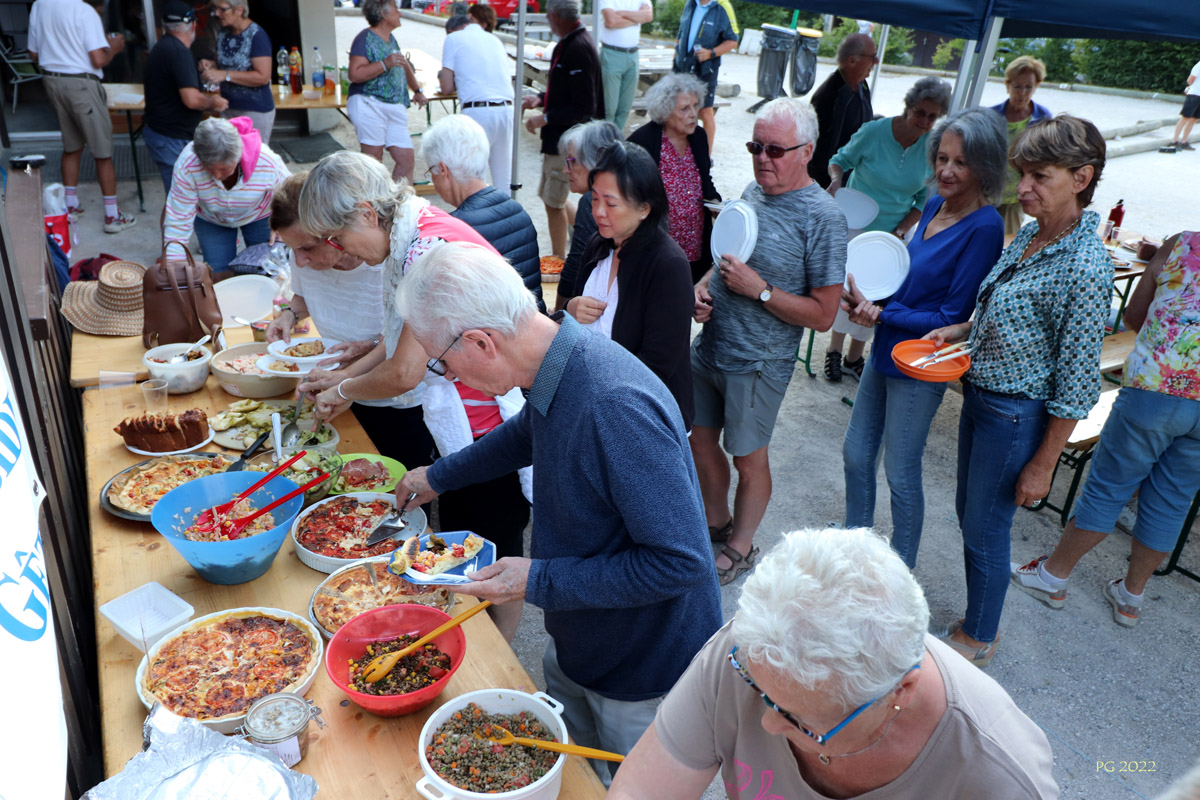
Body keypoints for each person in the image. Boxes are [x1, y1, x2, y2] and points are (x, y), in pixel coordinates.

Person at [392, 241, 722, 786]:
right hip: (583, 640)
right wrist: (437, 477)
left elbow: (680, 563)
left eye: (442, 362)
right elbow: (527, 433)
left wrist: (537, 578)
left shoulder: (612, 403)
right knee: (570, 775)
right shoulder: (554, 364)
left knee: (624, 787)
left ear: (481, 341)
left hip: (642, 668)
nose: (447, 375)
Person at [606, 528, 1059, 800]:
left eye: (798, 719)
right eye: (753, 684)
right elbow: (640, 791)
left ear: (900, 692)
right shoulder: (758, 649)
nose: (766, 724)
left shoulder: (1001, 776)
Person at [924, 115, 1112, 667]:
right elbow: (1003, 306)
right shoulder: (1033, 233)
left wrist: (1044, 463)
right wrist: (962, 329)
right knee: (971, 515)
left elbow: (1077, 382)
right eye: (1022, 173)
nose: (1023, 188)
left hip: (1014, 417)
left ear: (1081, 178)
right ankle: (979, 621)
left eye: (1039, 176)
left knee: (985, 528)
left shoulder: (1086, 266)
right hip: (982, 399)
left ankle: (980, 634)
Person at [840, 109, 1007, 569]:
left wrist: (884, 311)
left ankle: (899, 571)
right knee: (856, 454)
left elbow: (952, 313)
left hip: (922, 362)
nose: (946, 171)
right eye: (942, 157)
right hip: (887, 346)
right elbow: (906, 281)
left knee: (900, 472)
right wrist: (867, 296)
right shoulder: (933, 205)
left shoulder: (986, 227)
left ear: (985, 167)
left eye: (961, 162)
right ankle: (855, 551)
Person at [690, 98, 846, 584]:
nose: (763, 158)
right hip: (712, 345)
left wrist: (758, 289)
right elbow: (727, 259)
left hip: (758, 363)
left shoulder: (824, 218)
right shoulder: (753, 191)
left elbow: (824, 316)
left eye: (775, 150)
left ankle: (741, 545)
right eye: (756, 146)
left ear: (808, 152)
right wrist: (704, 285)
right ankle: (716, 523)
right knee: (697, 439)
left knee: (748, 458)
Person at [1011, 231, 1200, 628]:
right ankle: (1131, 598)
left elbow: (1133, 317)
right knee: (1172, 501)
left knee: (1109, 486)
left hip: (1157, 388)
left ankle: (1053, 576)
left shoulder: (1183, 244)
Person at [294, 151, 496, 426]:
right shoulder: (414, 229)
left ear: (367, 215)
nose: (341, 250)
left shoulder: (424, 254)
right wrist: (344, 377)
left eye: (337, 238)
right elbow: (400, 337)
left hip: (484, 410)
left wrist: (342, 390)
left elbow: (405, 372)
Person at [266, 172, 436, 480]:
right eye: (293, 250)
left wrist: (358, 359)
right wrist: (290, 313)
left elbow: (399, 346)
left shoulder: (386, 256)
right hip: (340, 388)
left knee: (397, 482)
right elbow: (302, 295)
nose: (300, 261)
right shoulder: (302, 255)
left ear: (331, 231)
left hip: (395, 399)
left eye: (306, 248)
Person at [823, 76, 951, 382]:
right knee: (848, 289)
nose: (925, 121)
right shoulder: (875, 132)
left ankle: (855, 357)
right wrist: (836, 180)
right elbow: (839, 160)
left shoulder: (932, 148)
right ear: (907, 107)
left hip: (893, 232)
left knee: (877, 296)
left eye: (933, 117)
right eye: (920, 112)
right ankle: (834, 351)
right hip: (856, 223)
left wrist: (900, 231)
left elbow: (922, 199)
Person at [565, 141, 695, 428]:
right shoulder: (598, 244)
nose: (598, 211)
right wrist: (569, 309)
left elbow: (657, 364)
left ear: (644, 209)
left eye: (610, 203)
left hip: (644, 417)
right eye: (595, 198)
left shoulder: (668, 264)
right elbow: (568, 322)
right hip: (592, 406)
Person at [28, 0, 135, 233]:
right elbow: (99, 59)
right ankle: (112, 216)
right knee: (102, 151)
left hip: (52, 81)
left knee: (72, 146)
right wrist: (114, 47)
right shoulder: (84, 11)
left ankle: (70, 206)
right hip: (82, 84)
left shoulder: (40, 5)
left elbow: (33, 53)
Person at [421, 114, 544, 311]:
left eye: (431, 172)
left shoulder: (452, 230)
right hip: (530, 326)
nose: (433, 181)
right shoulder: (517, 210)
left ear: (443, 170)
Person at [521, 0, 603, 258]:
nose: (547, 20)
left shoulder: (578, 46)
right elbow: (565, 88)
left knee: (553, 201)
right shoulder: (569, 42)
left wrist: (544, 117)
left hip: (567, 140)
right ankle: (591, 235)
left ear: (556, 16)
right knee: (551, 197)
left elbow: (583, 105)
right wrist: (541, 98)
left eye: (548, 16)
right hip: (559, 139)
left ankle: (558, 260)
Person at [163, 117, 288, 276]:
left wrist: (281, 221)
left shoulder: (266, 161)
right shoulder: (187, 163)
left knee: (268, 269)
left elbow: (290, 193)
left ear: (237, 156)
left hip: (259, 214)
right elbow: (178, 217)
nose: (216, 175)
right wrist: (175, 261)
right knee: (218, 273)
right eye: (209, 168)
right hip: (211, 218)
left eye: (223, 169)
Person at [627, 72, 721, 284]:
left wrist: (715, 203)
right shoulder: (643, 141)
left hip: (694, 248)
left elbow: (705, 180)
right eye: (684, 109)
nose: (693, 114)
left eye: (695, 106)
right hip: (656, 248)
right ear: (665, 111)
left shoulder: (698, 137)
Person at [142, 1, 229, 193]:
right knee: (179, 200)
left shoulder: (163, 47)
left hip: (164, 134)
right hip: (171, 138)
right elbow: (191, 99)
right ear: (194, 26)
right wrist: (213, 102)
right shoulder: (178, 52)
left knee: (180, 198)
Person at [348, 0, 427, 183]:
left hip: (394, 106)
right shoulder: (365, 38)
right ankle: (375, 206)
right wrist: (385, 64)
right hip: (369, 103)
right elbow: (355, 74)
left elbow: (404, 65)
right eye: (396, 9)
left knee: (406, 160)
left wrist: (417, 90)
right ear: (383, 14)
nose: (400, 14)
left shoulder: (391, 39)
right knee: (373, 161)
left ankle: (401, 205)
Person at [439, 8, 515, 190]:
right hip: (506, 108)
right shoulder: (495, 40)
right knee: (503, 177)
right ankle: (505, 216)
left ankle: (477, 218)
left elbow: (446, 87)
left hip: (478, 110)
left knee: (474, 176)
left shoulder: (453, 39)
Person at [556, 120, 623, 310]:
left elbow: (575, 265)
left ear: (595, 160)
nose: (565, 170)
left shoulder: (591, 200)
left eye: (572, 161)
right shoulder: (629, 190)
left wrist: (560, 315)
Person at [989, 56, 1051, 235]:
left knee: (1005, 242)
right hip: (986, 192)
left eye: (1028, 87)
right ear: (1007, 85)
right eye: (1017, 86)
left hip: (1016, 196)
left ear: (1036, 86)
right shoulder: (991, 116)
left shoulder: (1043, 118)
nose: (1022, 93)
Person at [198, 0, 275, 142]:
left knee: (253, 160)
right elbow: (225, 64)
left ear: (239, 10)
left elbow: (263, 77)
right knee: (229, 160)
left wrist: (225, 75)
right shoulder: (223, 33)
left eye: (222, 9)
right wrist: (211, 65)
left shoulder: (256, 35)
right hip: (228, 107)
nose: (216, 13)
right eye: (215, 9)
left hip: (254, 110)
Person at [808, 32, 876, 189]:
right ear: (852, 60)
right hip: (829, 184)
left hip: (851, 179)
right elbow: (817, 150)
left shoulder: (862, 86)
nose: (876, 62)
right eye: (872, 57)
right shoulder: (829, 96)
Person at [670, 0, 737, 153]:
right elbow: (681, 31)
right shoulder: (690, 3)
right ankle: (678, 150)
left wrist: (710, 53)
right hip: (683, 65)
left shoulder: (722, 7)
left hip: (705, 69)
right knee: (678, 106)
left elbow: (733, 41)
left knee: (705, 111)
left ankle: (706, 156)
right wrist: (676, 53)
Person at [597, 0, 652, 132]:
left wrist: (623, 14)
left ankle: (617, 142)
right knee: (608, 109)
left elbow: (648, 17)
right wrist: (638, 17)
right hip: (611, 53)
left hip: (633, 55)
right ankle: (605, 143)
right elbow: (611, 22)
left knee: (624, 108)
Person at [1159, 59, 1200, 153]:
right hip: (1194, 95)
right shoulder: (1199, 65)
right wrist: (1192, 88)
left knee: (1194, 119)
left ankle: (1185, 141)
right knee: (1185, 117)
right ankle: (1174, 140)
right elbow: (1190, 80)